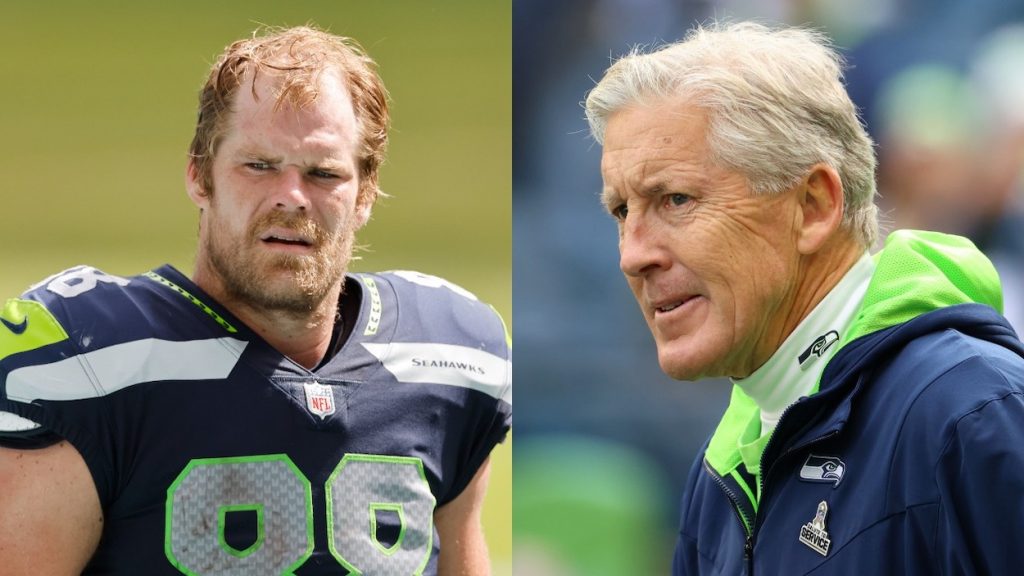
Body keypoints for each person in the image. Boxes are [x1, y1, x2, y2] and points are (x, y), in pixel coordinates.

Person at [0, 26, 511, 575]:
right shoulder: (91, 361)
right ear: (200, 175)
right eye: (259, 166)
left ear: (364, 193)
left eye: (324, 173)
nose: (291, 197)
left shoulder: (450, 357)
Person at [585, 21, 1024, 575]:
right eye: (622, 212)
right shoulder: (722, 470)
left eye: (675, 199)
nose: (633, 255)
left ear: (814, 206)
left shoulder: (971, 412)